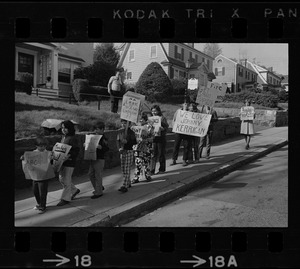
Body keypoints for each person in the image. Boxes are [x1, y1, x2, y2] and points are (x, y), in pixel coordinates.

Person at [20, 137, 53, 214]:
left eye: (44, 146)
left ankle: (43, 206)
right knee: (35, 191)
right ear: (36, 146)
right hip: (35, 176)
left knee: (43, 192)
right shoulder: (33, 153)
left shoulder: (47, 153)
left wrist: (51, 156)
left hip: (44, 176)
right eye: (41, 146)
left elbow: (52, 159)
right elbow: (27, 159)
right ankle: (39, 203)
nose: (43, 148)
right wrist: (23, 158)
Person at [57, 120, 81, 206]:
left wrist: (69, 156)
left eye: (65, 128)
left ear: (70, 128)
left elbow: (76, 150)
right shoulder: (64, 137)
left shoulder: (72, 138)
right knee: (62, 179)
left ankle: (65, 199)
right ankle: (74, 190)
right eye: (62, 128)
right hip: (62, 162)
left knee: (66, 180)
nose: (63, 129)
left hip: (69, 162)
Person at [85, 121, 109, 199]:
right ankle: (98, 187)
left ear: (102, 130)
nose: (96, 131)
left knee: (98, 175)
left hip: (100, 158)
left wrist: (100, 147)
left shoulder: (104, 138)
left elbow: (107, 148)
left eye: (98, 129)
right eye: (95, 129)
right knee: (90, 174)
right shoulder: (93, 136)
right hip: (93, 157)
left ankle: (99, 192)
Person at [131, 112, 155, 184]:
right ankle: (136, 177)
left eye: (142, 119)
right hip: (137, 147)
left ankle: (147, 175)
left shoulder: (149, 127)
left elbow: (152, 137)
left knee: (146, 161)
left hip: (146, 147)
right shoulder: (134, 127)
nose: (140, 121)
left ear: (145, 120)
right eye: (139, 119)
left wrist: (146, 139)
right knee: (138, 162)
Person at [117, 119, 137, 193]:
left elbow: (134, 141)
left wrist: (128, 141)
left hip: (129, 151)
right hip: (123, 151)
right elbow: (118, 141)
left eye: (125, 123)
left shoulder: (131, 132)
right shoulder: (120, 132)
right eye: (122, 123)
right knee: (123, 168)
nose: (123, 125)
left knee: (126, 168)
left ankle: (124, 185)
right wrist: (119, 148)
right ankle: (128, 182)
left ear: (129, 124)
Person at [170, 102, 192, 166]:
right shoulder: (178, 111)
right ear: (182, 104)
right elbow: (174, 119)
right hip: (178, 131)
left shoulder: (190, 112)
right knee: (176, 145)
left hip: (186, 132)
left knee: (186, 146)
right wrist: (174, 128)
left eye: (187, 104)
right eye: (185, 104)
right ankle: (173, 159)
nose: (186, 105)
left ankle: (184, 160)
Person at [149, 105, 169, 175]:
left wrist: (162, 129)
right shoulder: (150, 119)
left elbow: (166, 127)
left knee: (161, 154)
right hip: (154, 138)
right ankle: (152, 170)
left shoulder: (162, 118)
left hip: (161, 138)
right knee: (153, 154)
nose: (153, 112)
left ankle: (162, 169)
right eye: (152, 111)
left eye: (155, 111)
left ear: (158, 111)